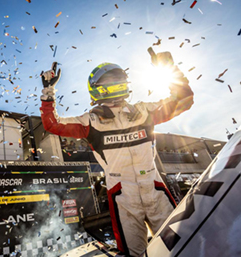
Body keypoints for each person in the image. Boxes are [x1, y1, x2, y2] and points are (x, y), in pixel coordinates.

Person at [39, 49, 194, 257]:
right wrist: (48, 91)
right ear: (98, 89)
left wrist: (169, 69)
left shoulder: (144, 111)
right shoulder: (90, 121)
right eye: (110, 82)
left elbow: (185, 100)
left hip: (155, 189)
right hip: (123, 197)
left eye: (119, 81)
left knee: (180, 247)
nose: (115, 86)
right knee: (133, 253)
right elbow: (52, 124)